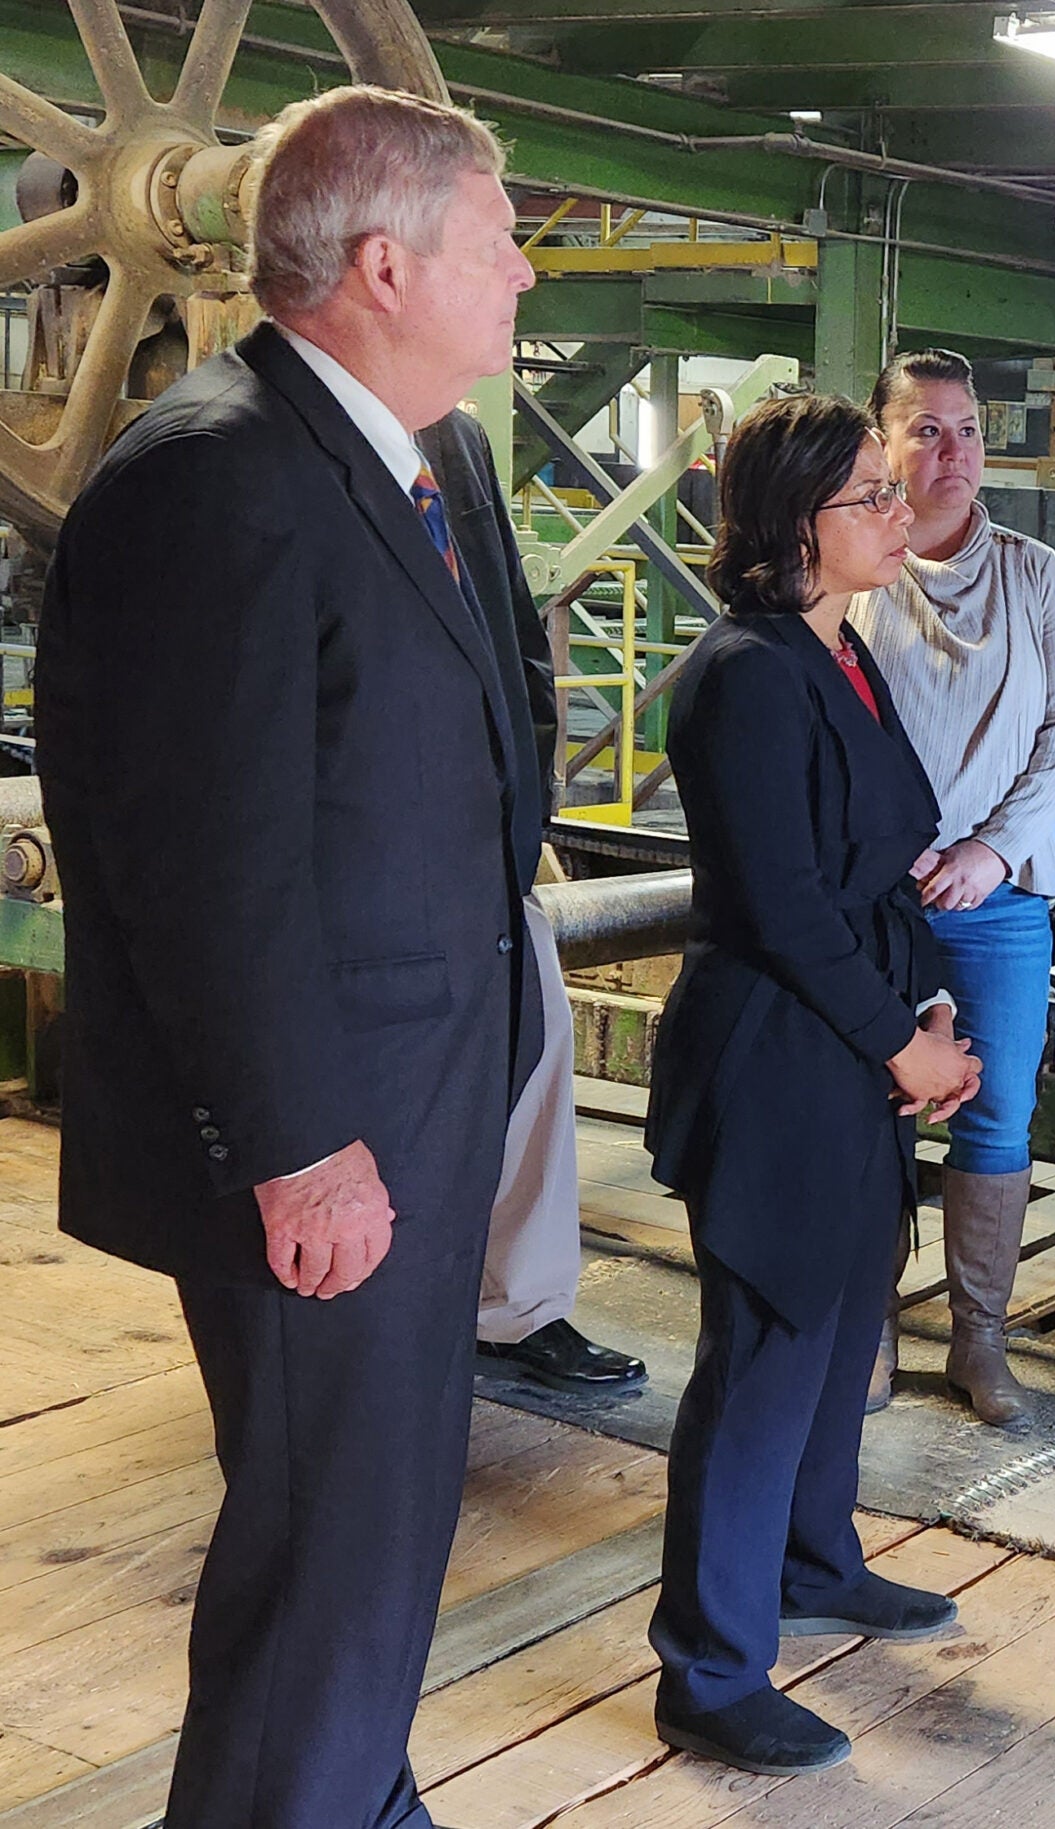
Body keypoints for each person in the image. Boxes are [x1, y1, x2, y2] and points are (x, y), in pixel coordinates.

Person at [34, 88, 541, 1829]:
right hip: (323, 1137)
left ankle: (352, 1796)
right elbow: (201, 863)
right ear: (385, 264)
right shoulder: (216, 478)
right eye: (501, 240)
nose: (529, 273)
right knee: (324, 1542)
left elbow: (481, 740)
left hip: (422, 1088)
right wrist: (301, 1141)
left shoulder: (431, 453)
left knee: (376, 1524)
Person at [644, 393, 983, 1775]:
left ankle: (810, 1557)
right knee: (765, 1355)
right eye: (871, 498)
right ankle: (710, 1670)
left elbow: (875, 857)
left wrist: (924, 999)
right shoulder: (745, 672)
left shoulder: (842, 654)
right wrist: (903, 1042)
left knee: (844, 1323)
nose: (902, 514)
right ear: (795, 525)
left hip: (847, 1039)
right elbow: (782, 904)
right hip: (776, 1049)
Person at [851, 349, 1055, 1428]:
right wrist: (892, 851)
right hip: (879, 893)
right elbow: (833, 722)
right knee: (871, 1108)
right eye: (927, 430)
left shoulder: (1036, 577)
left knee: (993, 1113)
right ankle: (863, 1332)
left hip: (998, 896)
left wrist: (991, 851)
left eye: (967, 430)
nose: (952, 452)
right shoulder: (857, 571)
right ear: (885, 445)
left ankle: (977, 1341)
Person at [416, 411, 648, 1394]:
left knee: (533, 1046)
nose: (513, 281)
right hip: (375, 850)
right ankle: (404, 1316)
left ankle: (513, 1310)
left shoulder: (453, 438)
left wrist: (529, 800)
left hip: (483, 837)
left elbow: (515, 624)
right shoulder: (276, 440)